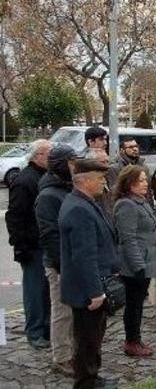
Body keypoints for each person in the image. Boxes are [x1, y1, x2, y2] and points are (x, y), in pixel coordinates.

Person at [58, 159, 119, 389]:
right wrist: (95, 292)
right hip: (86, 289)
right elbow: (84, 256)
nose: (103, 182)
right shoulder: (78, 208)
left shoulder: (85, 203)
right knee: (86, 339)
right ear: (84, 180)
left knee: (93, 336)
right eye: (99, 178)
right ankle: (85, 385)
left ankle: (92, 375)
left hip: (91, 284)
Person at [34, 145, 77, 375]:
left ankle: (71, 351)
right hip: (59, 263)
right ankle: (61, 356)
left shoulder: (65, 188)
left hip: (72, 260)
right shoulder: (49, 195)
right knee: (62, 312)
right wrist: (62, 266)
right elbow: (50, 234)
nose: (74, 167)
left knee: (72, 311)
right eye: (71, 162)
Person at [5, 139, 51, 349]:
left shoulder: (44, 177)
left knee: (46, 291)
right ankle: (34, 331)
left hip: (43, 242)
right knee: (34, 291)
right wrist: (20, 245)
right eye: (48, 155)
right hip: (32, 246)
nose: (51, 159)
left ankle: (45, 328)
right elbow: (15, 216)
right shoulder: (24, 181)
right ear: (37, 157)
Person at [112, 165, 156, 356]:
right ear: (129, 183)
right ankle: (131, 341)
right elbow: (128, 238)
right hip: (136, 263)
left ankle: (136, 338)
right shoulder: (126, 205)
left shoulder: (141, 202)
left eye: (144, 180)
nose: (145, 184)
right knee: (133, 305)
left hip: (147, 259)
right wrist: (138, 265)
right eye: (140, 180)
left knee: (138, 304)